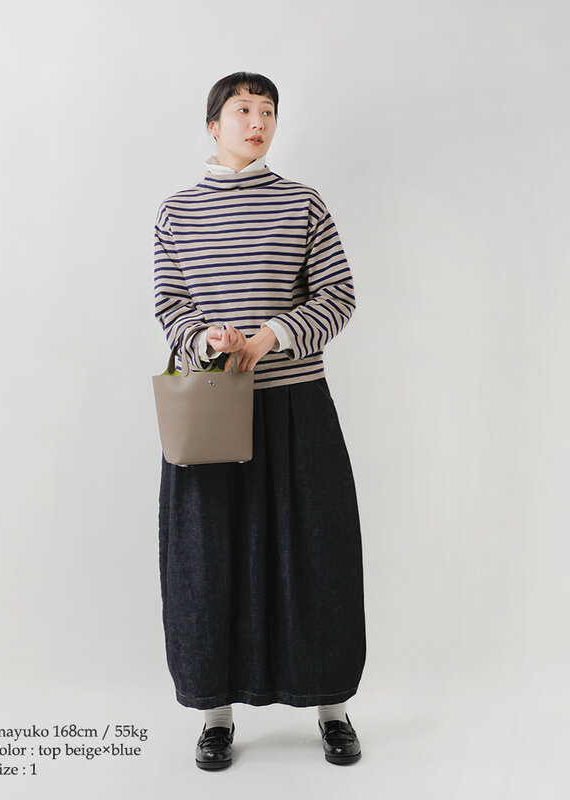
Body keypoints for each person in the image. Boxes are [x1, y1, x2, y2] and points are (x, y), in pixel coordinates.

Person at [153, 71, 366, 769]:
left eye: (268, 111)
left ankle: (331, 708)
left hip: (295, 404)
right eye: (243, 109)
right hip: (213, 409)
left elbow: (338, 295)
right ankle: (214, 715)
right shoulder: (177, 212)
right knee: (207, 560)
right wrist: (206, 341)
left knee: (318, 553)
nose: (257, 122)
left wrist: (272, 334)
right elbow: (171, 306)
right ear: (213, 124)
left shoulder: (303, 203)